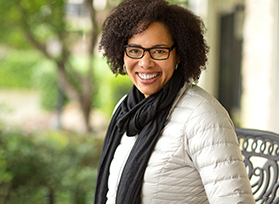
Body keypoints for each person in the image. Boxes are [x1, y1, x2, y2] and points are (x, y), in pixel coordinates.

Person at [93, 0, 255, 203]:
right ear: (121, 52)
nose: (145, 63)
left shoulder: (203, 116)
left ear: (178, 54)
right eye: (134, 50)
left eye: (159, 51)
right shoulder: (125, 109)